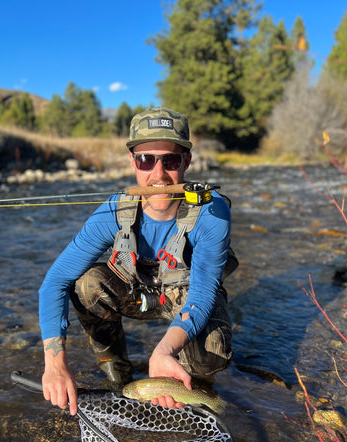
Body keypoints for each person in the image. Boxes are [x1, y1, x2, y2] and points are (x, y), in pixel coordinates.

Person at [39, 106, 237, 415]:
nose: (158, 175)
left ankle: (194, 392)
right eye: (146, 160)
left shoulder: (212, 213)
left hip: (188, 299)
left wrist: (163, 351)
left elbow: (202, 295)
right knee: (86, 285)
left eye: (170, 160)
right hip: (138, 295)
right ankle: (120, 382)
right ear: (133, 162)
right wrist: (55, 364)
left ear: (186, 161)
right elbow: (55, 281)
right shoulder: (113, 213)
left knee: (211, 345)